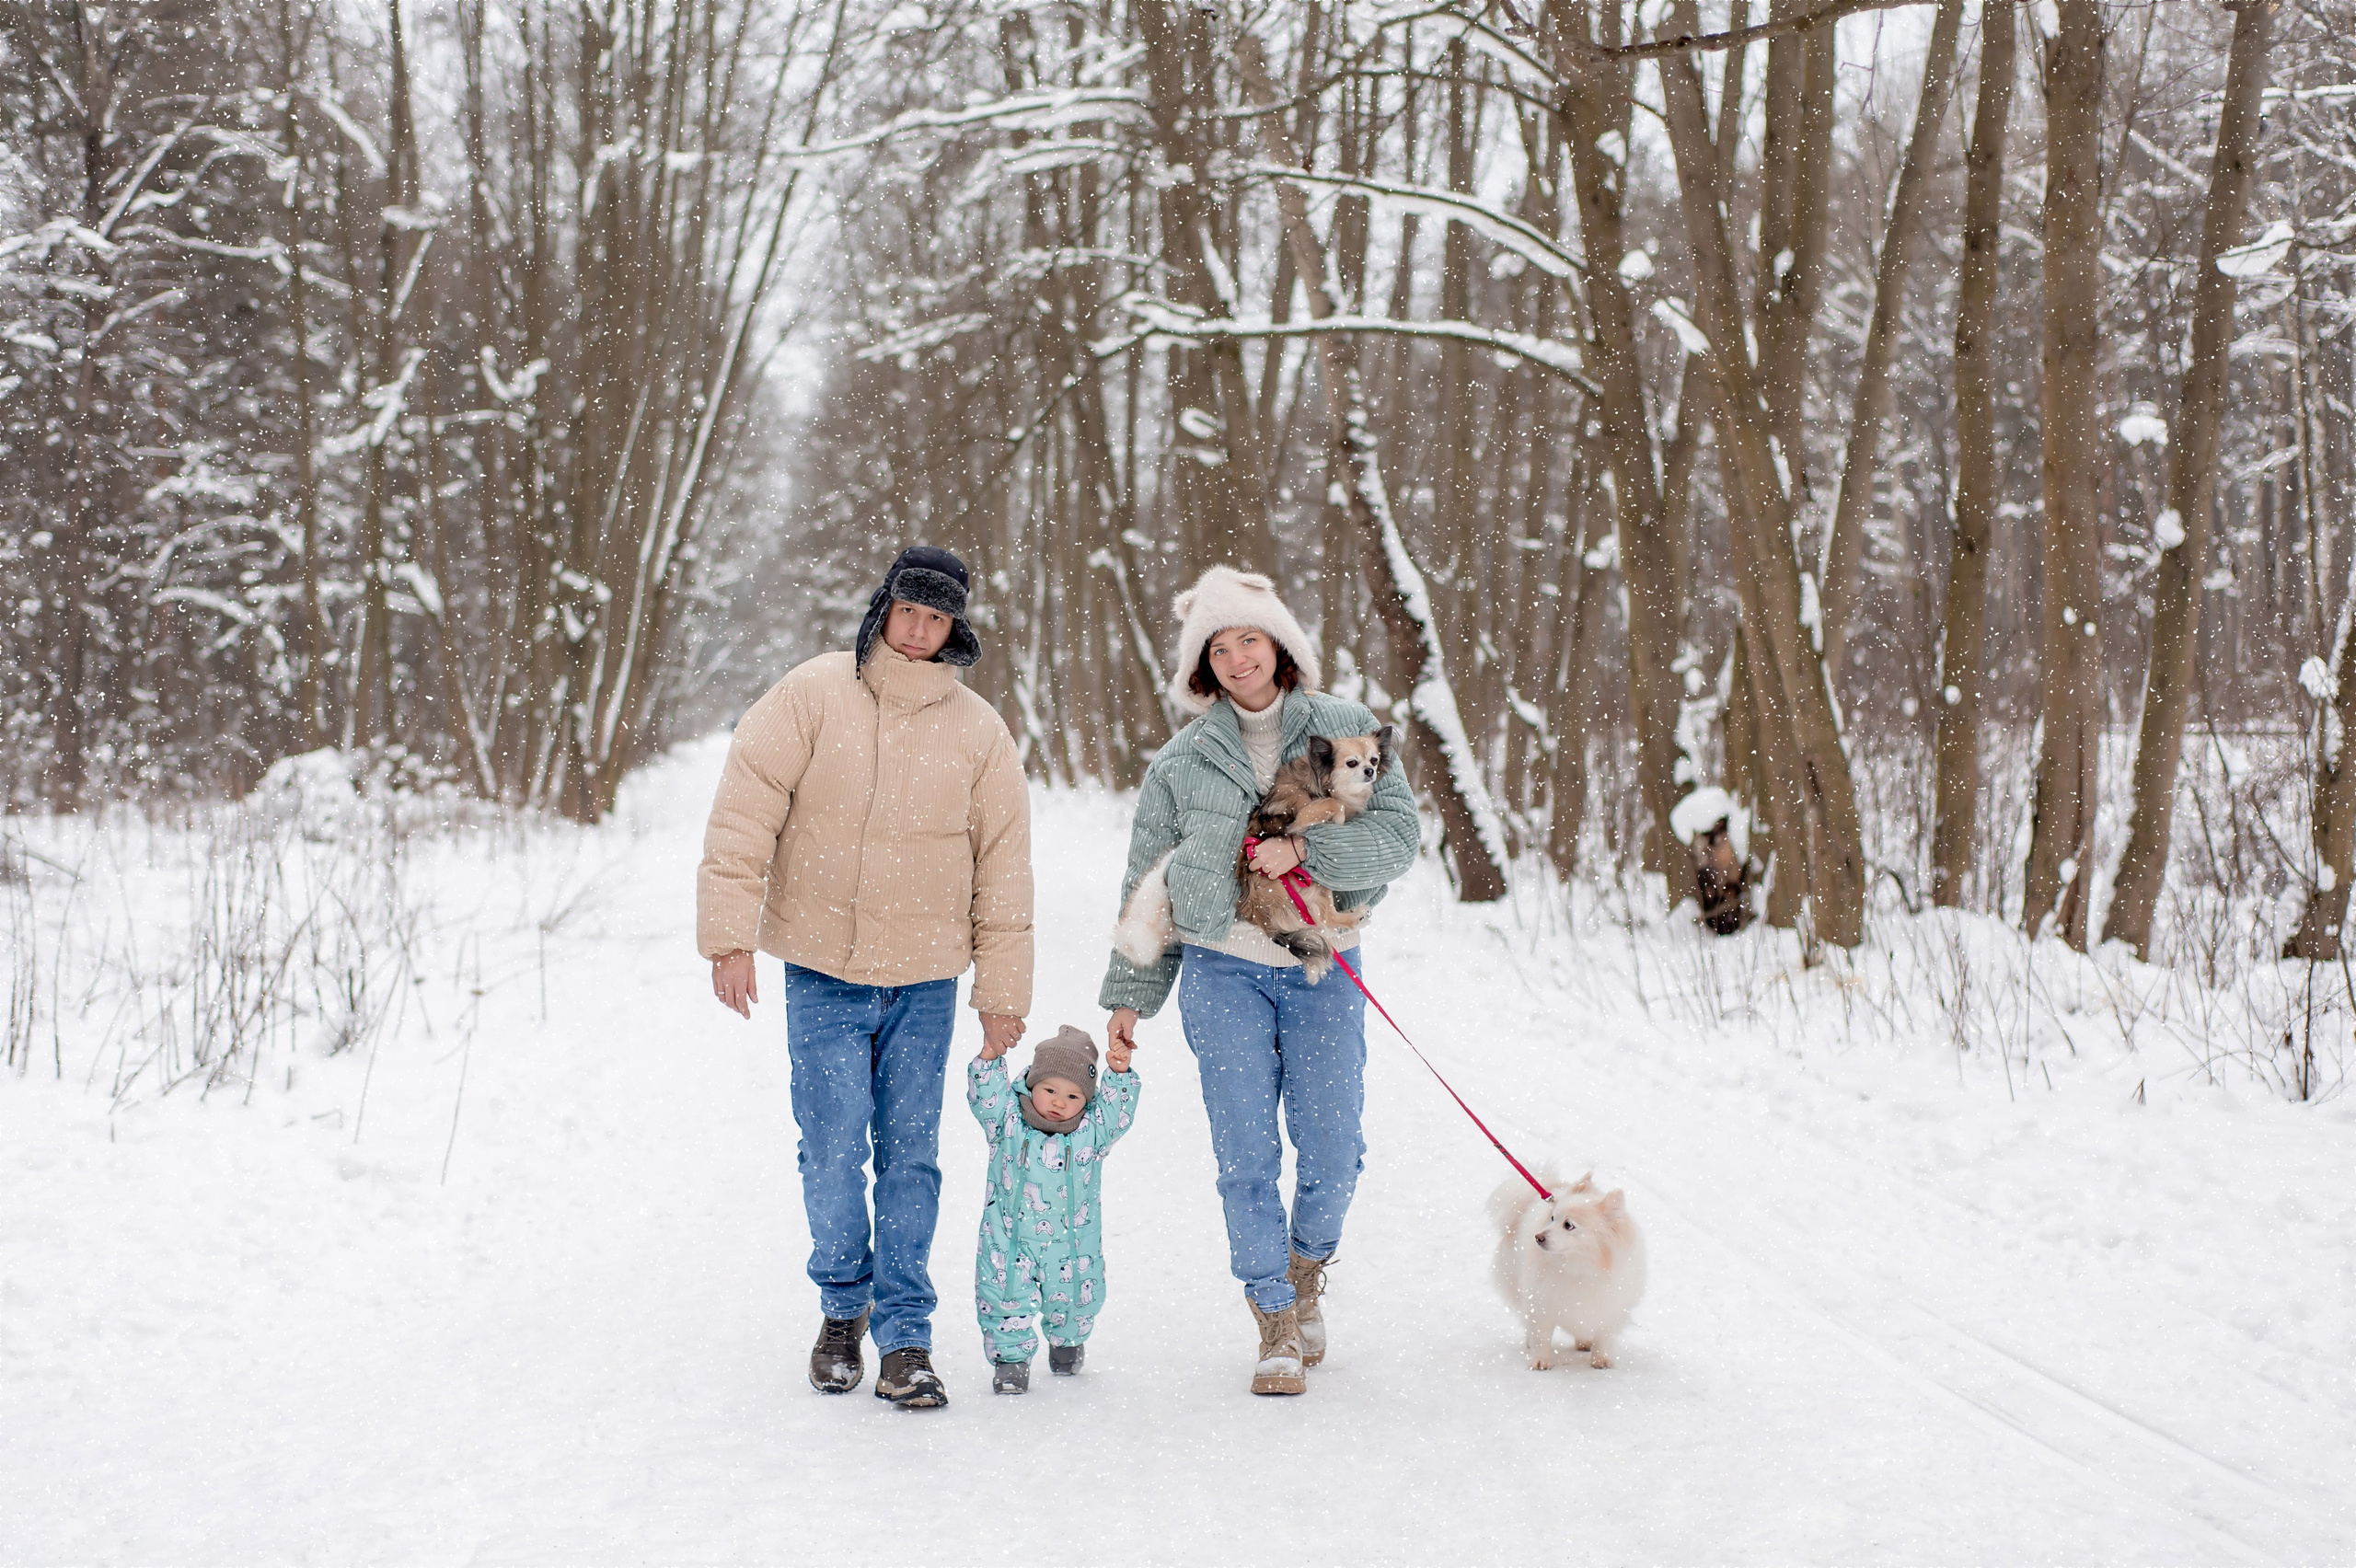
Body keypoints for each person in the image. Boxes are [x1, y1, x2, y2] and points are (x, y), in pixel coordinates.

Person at [699, 544, 1032, 1412]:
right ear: (884, 609)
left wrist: (1002, 993)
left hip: (924, 983)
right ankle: (843, 1308)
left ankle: (907, 1338)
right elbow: (745, 808)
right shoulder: (813, 695)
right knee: (836, 1151)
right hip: (823, 972)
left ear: (957, 628)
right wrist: (728, 937)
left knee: (912, 1158)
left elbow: (1004, 870)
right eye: (908, 611)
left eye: (938, 617)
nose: (920, 631)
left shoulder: (978, 731)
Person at [1099, 566, 1418, 1395]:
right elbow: (1149, 878)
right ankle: (1274, 1320)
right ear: (1202, 664)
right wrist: (1130, 999)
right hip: (1222, 966)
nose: (1239, 658)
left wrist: (1310, 850)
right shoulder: (1182, 761)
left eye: (1250, 639)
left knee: (1334, 1149)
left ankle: (1306, 1272)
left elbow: (1398, 840)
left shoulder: (1348, 728)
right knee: (1244, 1153)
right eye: (1220, 645)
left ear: (1281, 645)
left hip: (1324, 962)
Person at [966, 1024, 1140, 1395]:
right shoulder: (1007, 1124)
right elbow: (987, 1098)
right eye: (1050, 1090)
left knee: (1078, 1295)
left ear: (1087, 1101)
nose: (1060, 1102)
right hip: (1009, 1242)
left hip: (1072, 1244)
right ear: (1032, 1084)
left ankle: (1067, 1341)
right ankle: (1010, 1361)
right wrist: (989, 1060)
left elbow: (1115, 1115)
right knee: (1003, 1293)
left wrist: (1119, 1073)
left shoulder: (1091, 1135)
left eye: (1074, 1096)